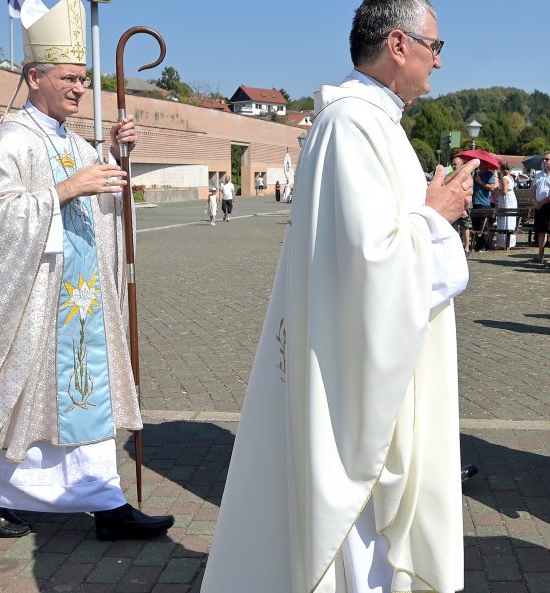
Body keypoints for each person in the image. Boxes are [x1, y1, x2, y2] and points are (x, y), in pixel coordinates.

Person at [202, 1, 477, 592]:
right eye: (436, 47)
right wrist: (438, 217)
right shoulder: (352, 124)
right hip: (359, 385)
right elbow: (367, 267)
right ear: (399, 46)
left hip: (380, 360)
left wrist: (427, 214)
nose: (439, 63)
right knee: (363, 539)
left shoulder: (372, 123)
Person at [0, 0, 174, 543]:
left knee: (85, 402)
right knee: (15, 399)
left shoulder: (72, 140)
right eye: (69, 78)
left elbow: (99, 202)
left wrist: (115, 156)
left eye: (85, 80)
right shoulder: (12, 139)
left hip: (79, 300)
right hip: (31, 303)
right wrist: (66, 190)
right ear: (34, 77)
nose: (79, 89)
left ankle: (106, 503)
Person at [469, 160, 497, 251]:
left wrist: (480, 181)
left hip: (484, 203)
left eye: (481, 163)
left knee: (483, 225)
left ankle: (484, 245)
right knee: (475, 225)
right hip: (475, 203)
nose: (479, 165)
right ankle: (478, 245)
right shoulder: (476, 174)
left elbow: (492, 187)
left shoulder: (490, 174)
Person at [494, 162, 517, 249]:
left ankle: (503, 243)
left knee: (504, 219)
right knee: (510, 220)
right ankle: (509, 242)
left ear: (502, 169)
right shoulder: (511, 177)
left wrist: (496, 191)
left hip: (506, 200)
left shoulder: (504, 178)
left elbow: (504, 192)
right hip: (511, 199)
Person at [533, 151, 550, 264]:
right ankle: (540, 255)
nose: (544, 161)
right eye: (544, 159)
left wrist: (543, 202)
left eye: (547, 159)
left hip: (548, 205)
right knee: (540, 231)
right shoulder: (538, 175)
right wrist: (534, 201)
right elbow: (533, 189)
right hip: (539, 206)